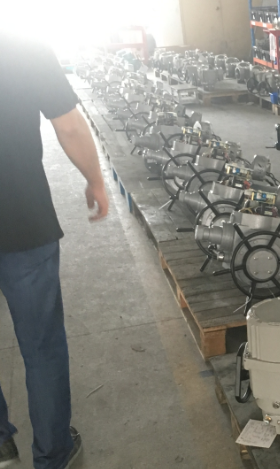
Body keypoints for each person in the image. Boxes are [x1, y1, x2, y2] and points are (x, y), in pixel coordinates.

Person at [0, 33, 110, 469]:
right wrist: (95, 180)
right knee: (42, 346)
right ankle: (52, 456)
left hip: (25, 223)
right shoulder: (23, 49)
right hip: (23, 218)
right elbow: (69, 125)